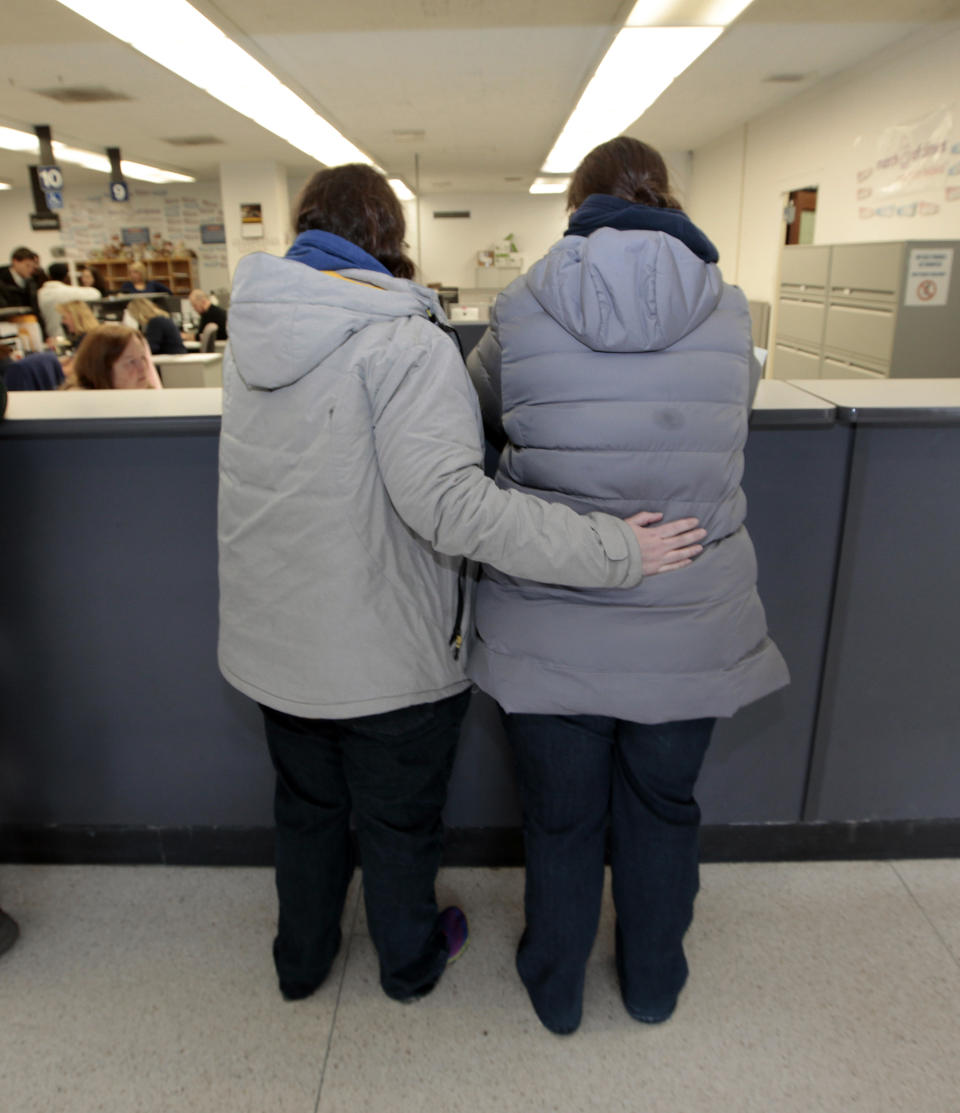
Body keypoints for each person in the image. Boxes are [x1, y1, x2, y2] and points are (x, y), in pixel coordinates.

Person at [217, 163, 705, 1008]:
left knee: (306, 811)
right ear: (391, 244)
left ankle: (300, 960)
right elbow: (453, 506)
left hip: (275, 643)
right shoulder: (405, 341)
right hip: (386, 655)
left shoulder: (254, 332)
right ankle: (408, 966)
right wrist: (614, 550)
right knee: (400, 825)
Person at [465, 136, 790, 1035]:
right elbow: (731, 420)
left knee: (561, 820)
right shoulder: (728, 312)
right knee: (662, 809)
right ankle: (652, 982)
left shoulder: (524, 306)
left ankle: (555, 986)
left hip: (551, 621)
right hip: (691, 620)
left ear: (577, 204)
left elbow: (479, 407)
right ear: (667, 196)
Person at [66, 324, 162, 390]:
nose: (142, 368)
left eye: (143, 358)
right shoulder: (80, 410)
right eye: (131, 361)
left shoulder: (149, 398)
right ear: (101, 368)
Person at [37, 262, 101, 340]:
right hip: (64, 336)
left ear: (49, 276)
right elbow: (95, 294)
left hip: (51, 335)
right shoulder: (67, 292)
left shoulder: (40, 293)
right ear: (66, 277)